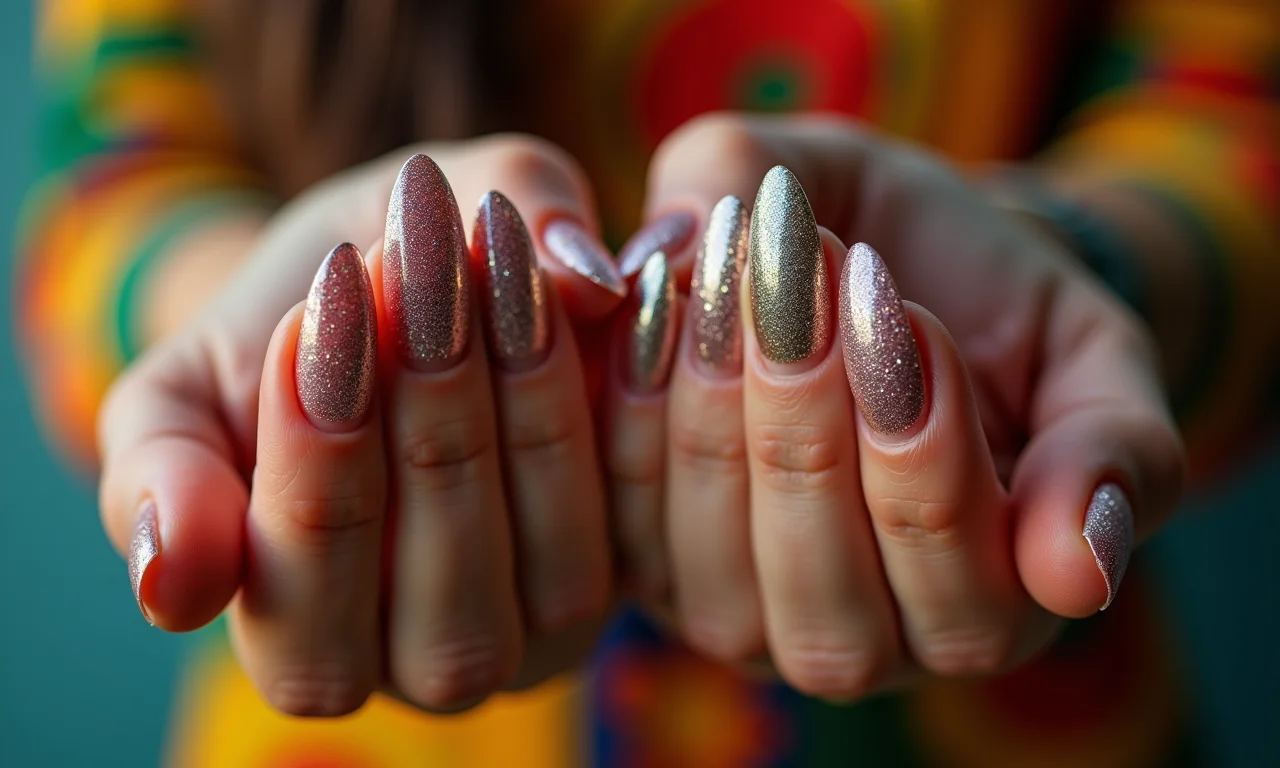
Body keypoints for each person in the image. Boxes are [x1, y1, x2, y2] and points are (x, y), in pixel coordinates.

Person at [18, 0, 1277, 764]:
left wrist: (1081, 275)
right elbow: (104, 179)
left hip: (1018, 715)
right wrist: (243, 341)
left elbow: (1232, 111)